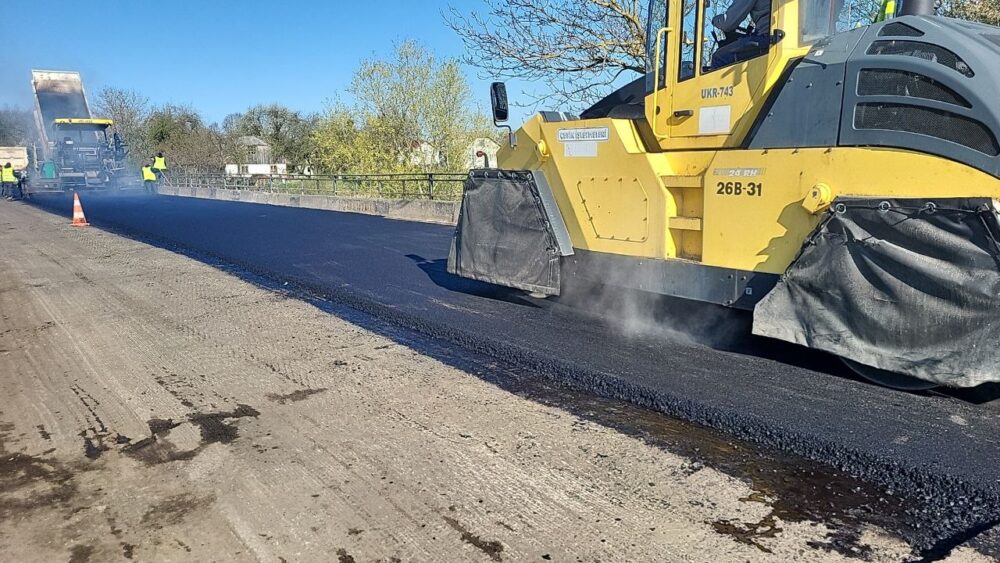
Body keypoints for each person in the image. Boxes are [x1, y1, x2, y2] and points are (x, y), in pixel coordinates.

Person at [710, 0, 772, 69]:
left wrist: (714, 20)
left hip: (767, 39)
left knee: (719, 57)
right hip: (774, 37)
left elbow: (728, 23)